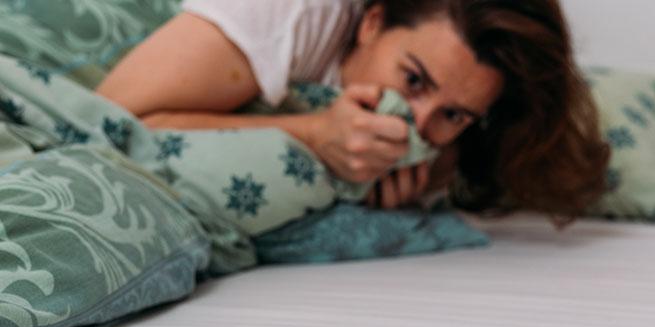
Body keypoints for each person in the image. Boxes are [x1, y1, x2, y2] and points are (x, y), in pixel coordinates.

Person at [97, 0, 610, 229]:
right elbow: (107, 119)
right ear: (372, 22)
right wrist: (313, 135)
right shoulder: (289, 14)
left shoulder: (450, 143)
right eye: (412, 81)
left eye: (452, 115)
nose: (418, 125)